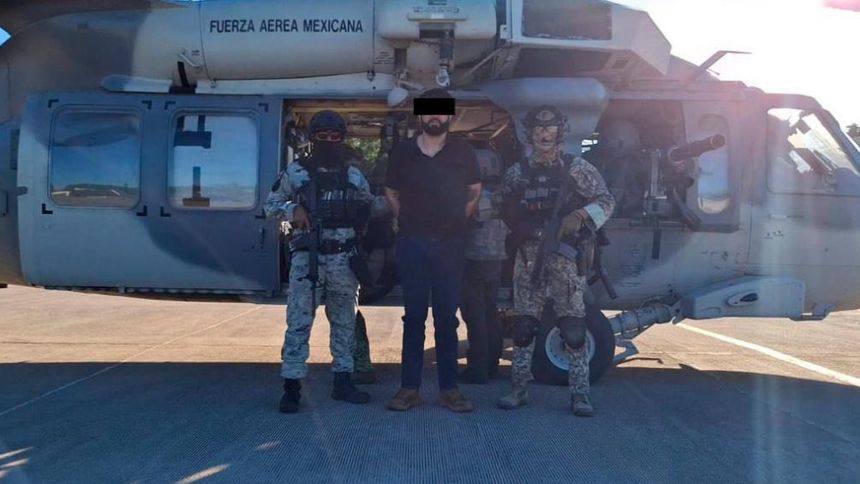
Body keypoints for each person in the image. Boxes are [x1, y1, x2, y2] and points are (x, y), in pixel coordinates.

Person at [497, 105, 615, 417]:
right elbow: (501, 203)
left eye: (550, 129)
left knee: (573, 329)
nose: (544, 134)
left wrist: (581, 215)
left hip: (565, 258)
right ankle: (519, 389)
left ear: (560, 132)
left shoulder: (577, 168)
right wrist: (519, 221)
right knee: (524, 327)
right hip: (529, 258)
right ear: (530, 133)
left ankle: (580, 394)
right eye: (538, 129)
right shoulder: (519, 172)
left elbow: (606, 201)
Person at [265, 110, 373, 413]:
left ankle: (343, 381)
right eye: (322, 136)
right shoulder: (296, 172)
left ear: (342, 138)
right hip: (308, 258)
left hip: (344, 259)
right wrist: (293, 211)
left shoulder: (353, 175)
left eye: (335, 136)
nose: (329, 141)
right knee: (298, 323)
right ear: (313, 138)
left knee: (344, 322)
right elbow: (270, 206)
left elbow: (370, 206)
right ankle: (291, 387)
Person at [384, 88, 482, 412]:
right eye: (429, 110)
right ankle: (408, 388)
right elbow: (391, 193)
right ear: (421, 115)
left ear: (449, 115)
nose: (435, 116)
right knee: (413, 317)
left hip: (450, 246)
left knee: (446, 318)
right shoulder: (402, 153)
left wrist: (453, 223)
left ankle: (449, 389)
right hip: (412, 245)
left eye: (441, 110)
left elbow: (474, 191)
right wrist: (411, 224)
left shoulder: (463, 152)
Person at [459, 150, 508, 384]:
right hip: (496, 259)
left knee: (475, 315)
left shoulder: (474, 195)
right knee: (491, 312)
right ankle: (492, 364)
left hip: (473, 259)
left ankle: (478, 368)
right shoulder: (503, 194)